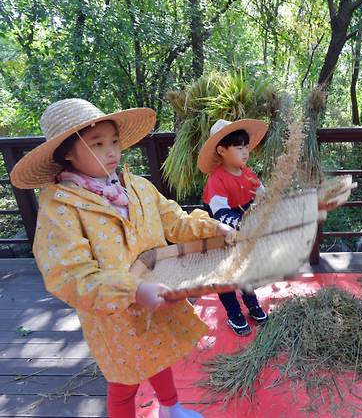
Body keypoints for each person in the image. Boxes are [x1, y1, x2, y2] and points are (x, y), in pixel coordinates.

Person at [10, 98, 234, 418]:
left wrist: (213, 227)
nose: (111, 151)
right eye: (97, 144)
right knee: (124, 381)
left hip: (157, 294)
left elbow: (175, 221)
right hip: (113, 318)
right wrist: (131, 291)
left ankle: (171, 408)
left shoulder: (138, 187)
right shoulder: (60, 208)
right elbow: (69, 274)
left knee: (160, 354)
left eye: (114, 141)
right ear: (68, 154)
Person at [198, 119, 269, 336]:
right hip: (221, 232)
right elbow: (220, 213)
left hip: (243, 228)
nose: (245, 152)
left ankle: (252, 303)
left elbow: (263, 195)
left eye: (246, 147)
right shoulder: (216, 180)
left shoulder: (247, 173)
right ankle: (233, 313)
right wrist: (243, 225)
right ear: (221, 150)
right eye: (239, 148)